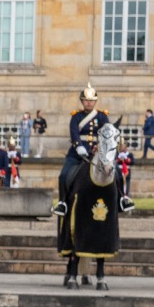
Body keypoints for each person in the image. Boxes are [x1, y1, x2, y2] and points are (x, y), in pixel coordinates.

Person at [53, 86, 109, 217]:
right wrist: (79, 147)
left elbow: (107, 134)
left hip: (97, 152)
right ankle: (63, 202)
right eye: (86, 100)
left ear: (95, 101)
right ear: (82, 101)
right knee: (63, 175)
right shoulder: (76, 117)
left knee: (115, 172)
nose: (89, 103)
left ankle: (122, 198)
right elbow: (74, 134)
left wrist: (100, 147)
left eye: (91, 100)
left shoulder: (102, 116)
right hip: (77, 153)